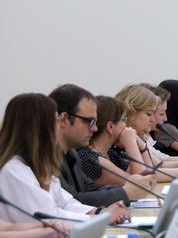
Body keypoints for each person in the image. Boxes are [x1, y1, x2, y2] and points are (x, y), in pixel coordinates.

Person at [0, 93, 130, 224]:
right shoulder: (13, 169)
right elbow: (47, 216)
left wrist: (99, 212)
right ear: (39, 129)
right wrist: (102, 217)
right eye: (56, 121)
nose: (60, 127)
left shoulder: (39, 164)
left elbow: (66, 203)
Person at [48, 84, 130, 208]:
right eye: (89, 121)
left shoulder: (72, 153)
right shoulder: (46, 156)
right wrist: (126, 192)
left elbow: (89, 188)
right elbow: (73, 202)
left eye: (95, 122)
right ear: (64, 119)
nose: (95, 128)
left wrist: (127, 190)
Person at [117, 85, 178, 181]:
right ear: (130, 112)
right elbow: (145, 176)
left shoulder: (135, 137)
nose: (153, 120)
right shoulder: (120, 144)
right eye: (149, 114)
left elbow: (157, 164)